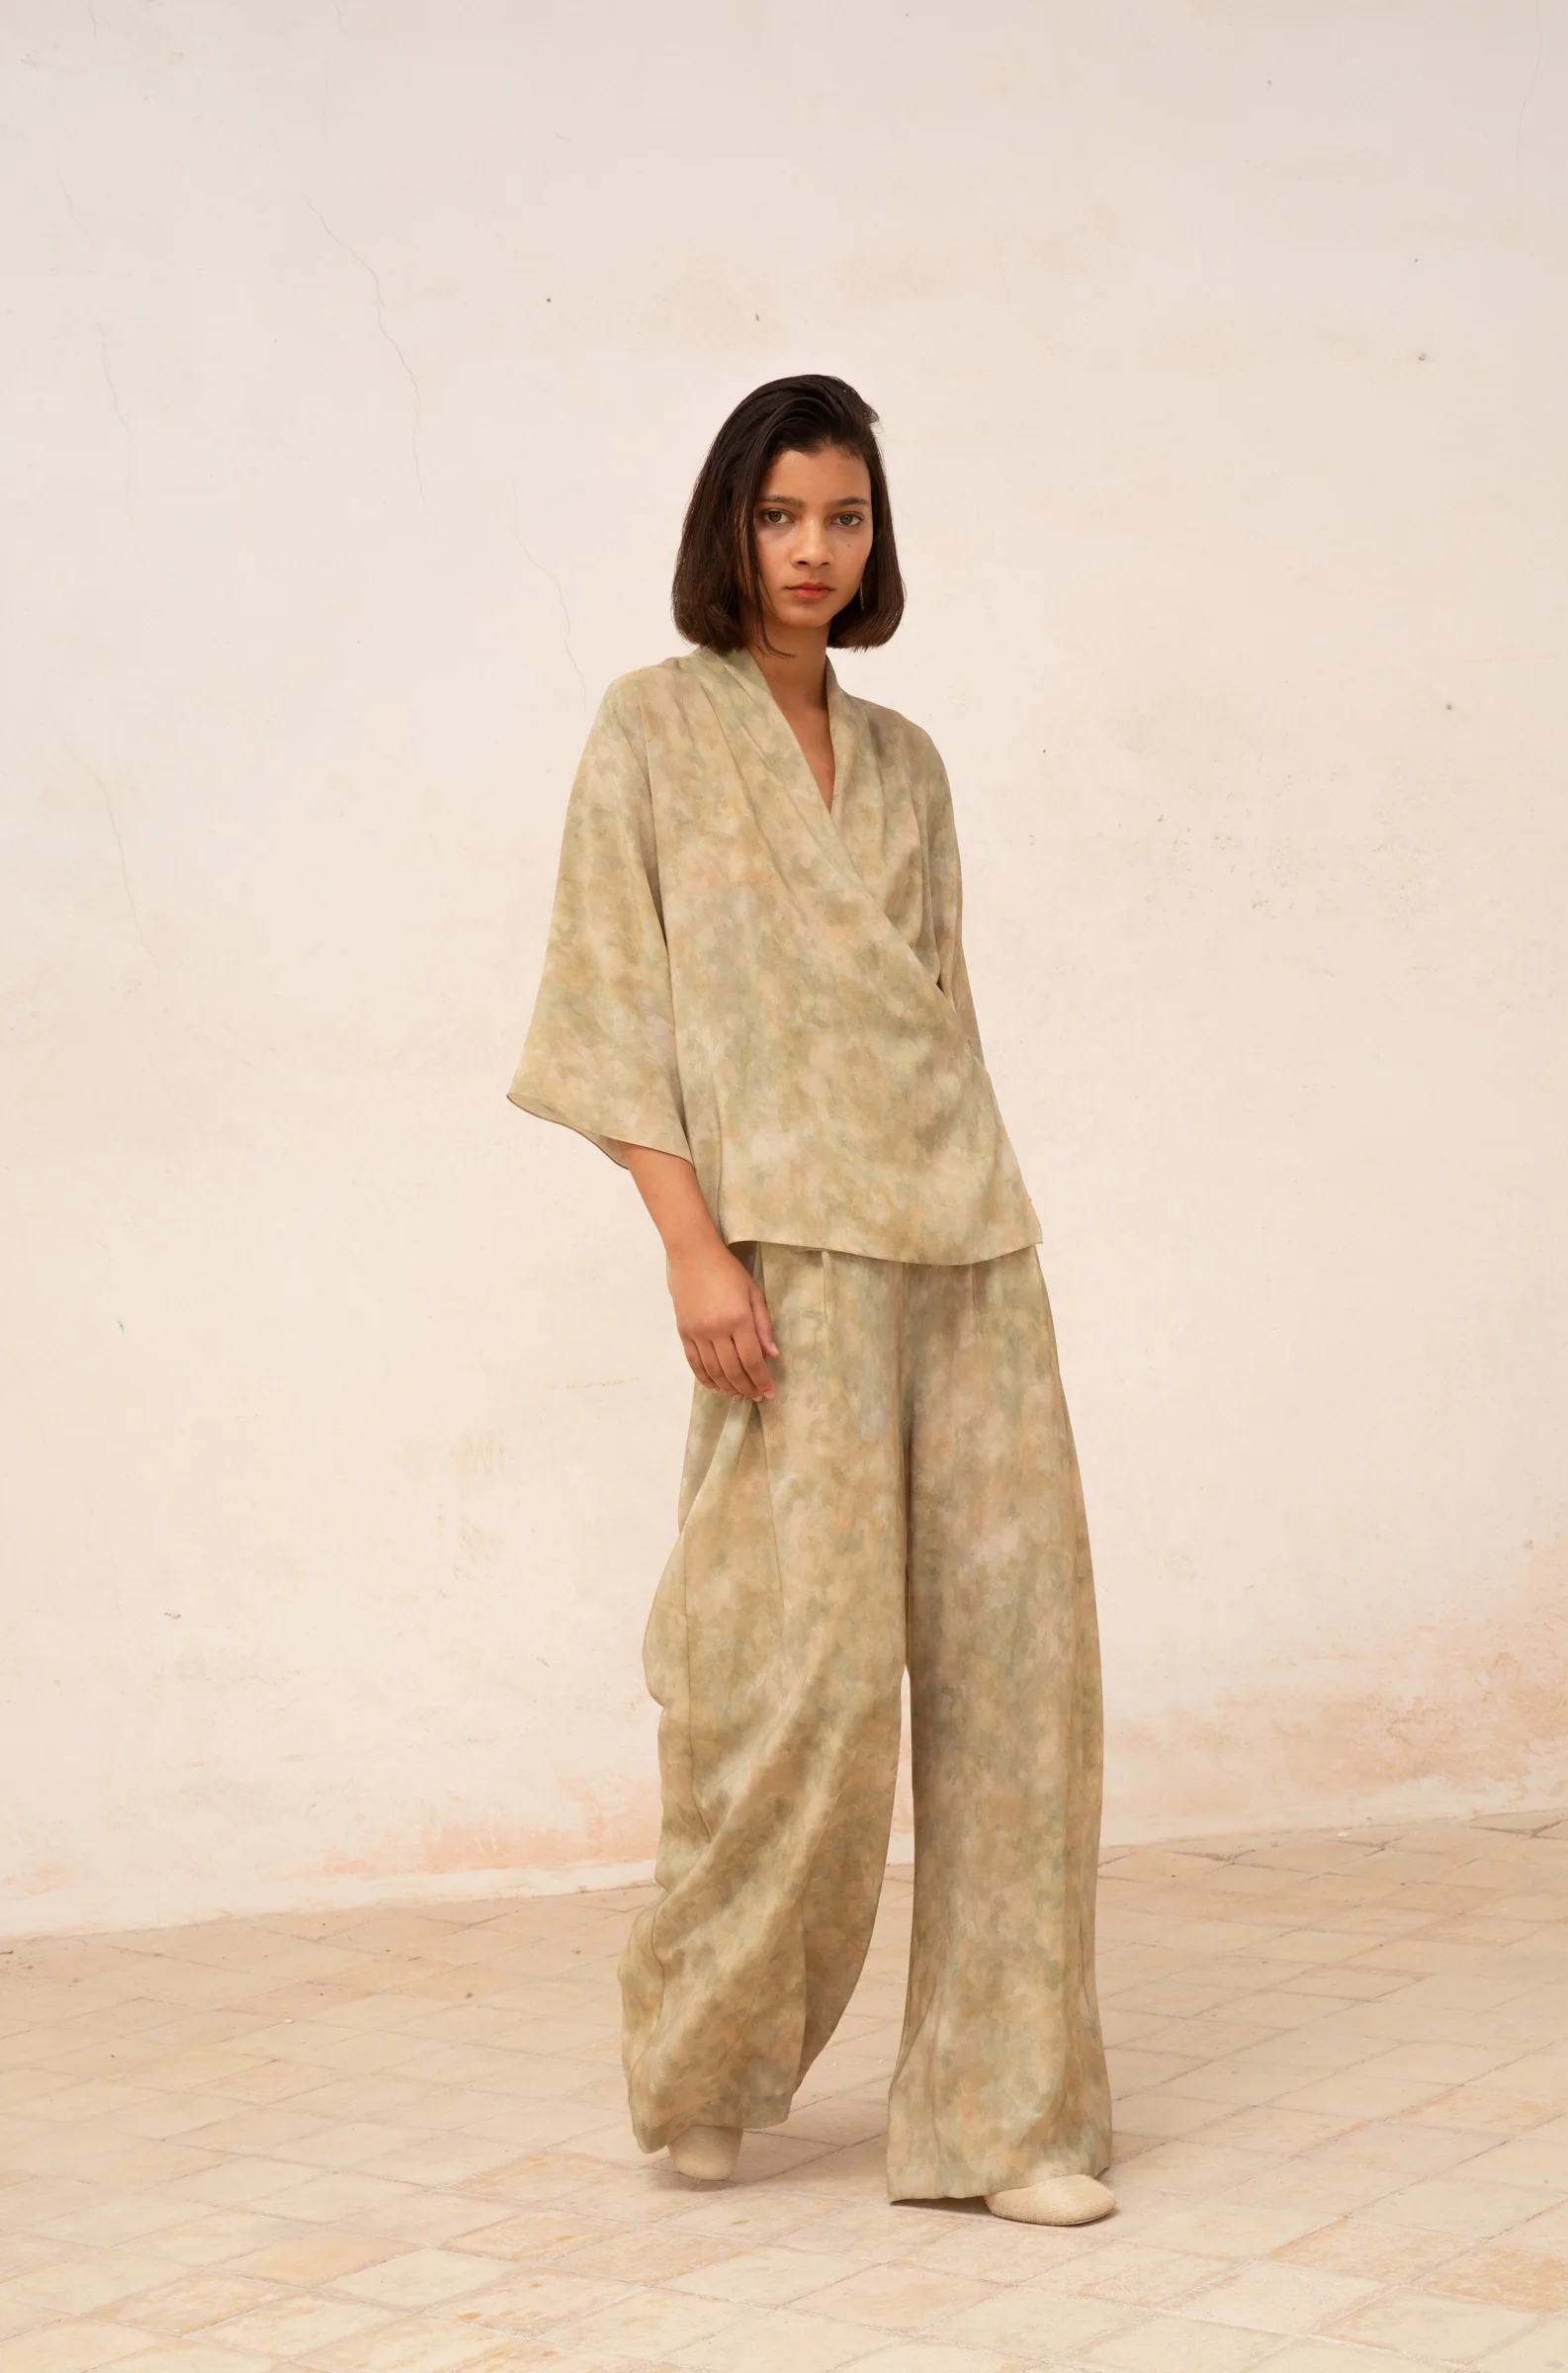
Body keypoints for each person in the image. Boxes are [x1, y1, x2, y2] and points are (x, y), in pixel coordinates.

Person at [508, 375, 1112, 2226]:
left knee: (1020, 1679)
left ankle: (1006, 2118)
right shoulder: (653, 729)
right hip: (786, 1260)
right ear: (731, 525)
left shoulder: (910, 762)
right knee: (800, 1682)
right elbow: (609, 1003)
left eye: (844, 518)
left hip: (968, 1245)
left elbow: (941, 1018)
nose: (813, 552)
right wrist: (692, 1246)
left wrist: (983, 1219)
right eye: (782, 516)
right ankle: (710, 2058)